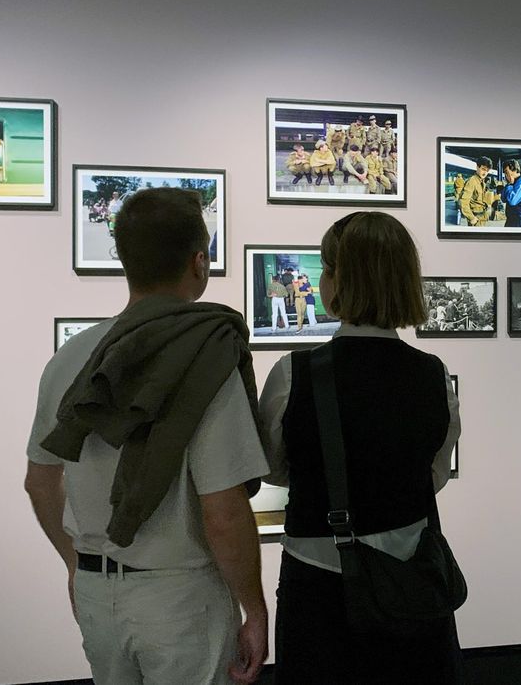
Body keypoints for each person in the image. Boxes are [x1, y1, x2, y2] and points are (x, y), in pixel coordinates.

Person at [24, 188, 269, 685]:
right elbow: (222, 511)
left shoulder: (70, 359)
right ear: (199, 262)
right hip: (180, 597)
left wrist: (77, 565)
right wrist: (255, 608)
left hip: (97, 592)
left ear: (124, 260)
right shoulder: (208, 355)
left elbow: (39, 482)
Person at [259, 211, 464, 684]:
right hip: (411, 576)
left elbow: (273, 469)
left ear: (337, 279)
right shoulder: (433, 374)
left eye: (326, 268)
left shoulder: (295, 373)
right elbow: (433, 475)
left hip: (318, 580)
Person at [458, 156, 492, 227]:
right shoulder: (472, 181)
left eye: (487, 171)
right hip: (475, 217)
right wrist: (471, 217)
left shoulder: (482, 182)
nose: (485, 173)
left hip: (482, 216)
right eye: (483, 169)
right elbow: (463, 201)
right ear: (477, 167)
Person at [500, 159, 521, 227]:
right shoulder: (511, 182)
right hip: (510, 219)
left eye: (507, 172)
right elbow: (503, 199)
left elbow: (512, 201)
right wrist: (508, 185)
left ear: (515, 170)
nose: (506, 175)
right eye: (505, 173)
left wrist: (510, 185)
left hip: (520, 221)